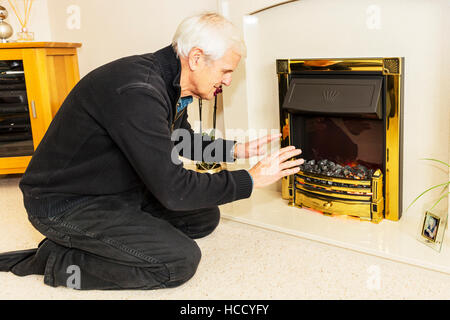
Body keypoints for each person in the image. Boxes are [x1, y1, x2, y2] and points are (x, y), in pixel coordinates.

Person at [0, 13, 303, 290]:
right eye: (225, 70)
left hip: (115, 190)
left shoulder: (170, 83)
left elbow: (181, 140)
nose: (228, 80)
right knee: (178, 262)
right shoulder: (139, 91)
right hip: (66, 202)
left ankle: (117, 234)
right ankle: (56, 261)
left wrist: (234, 150)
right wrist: (250, 179)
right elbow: (174, 191)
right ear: (196, 58)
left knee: (203, 218)